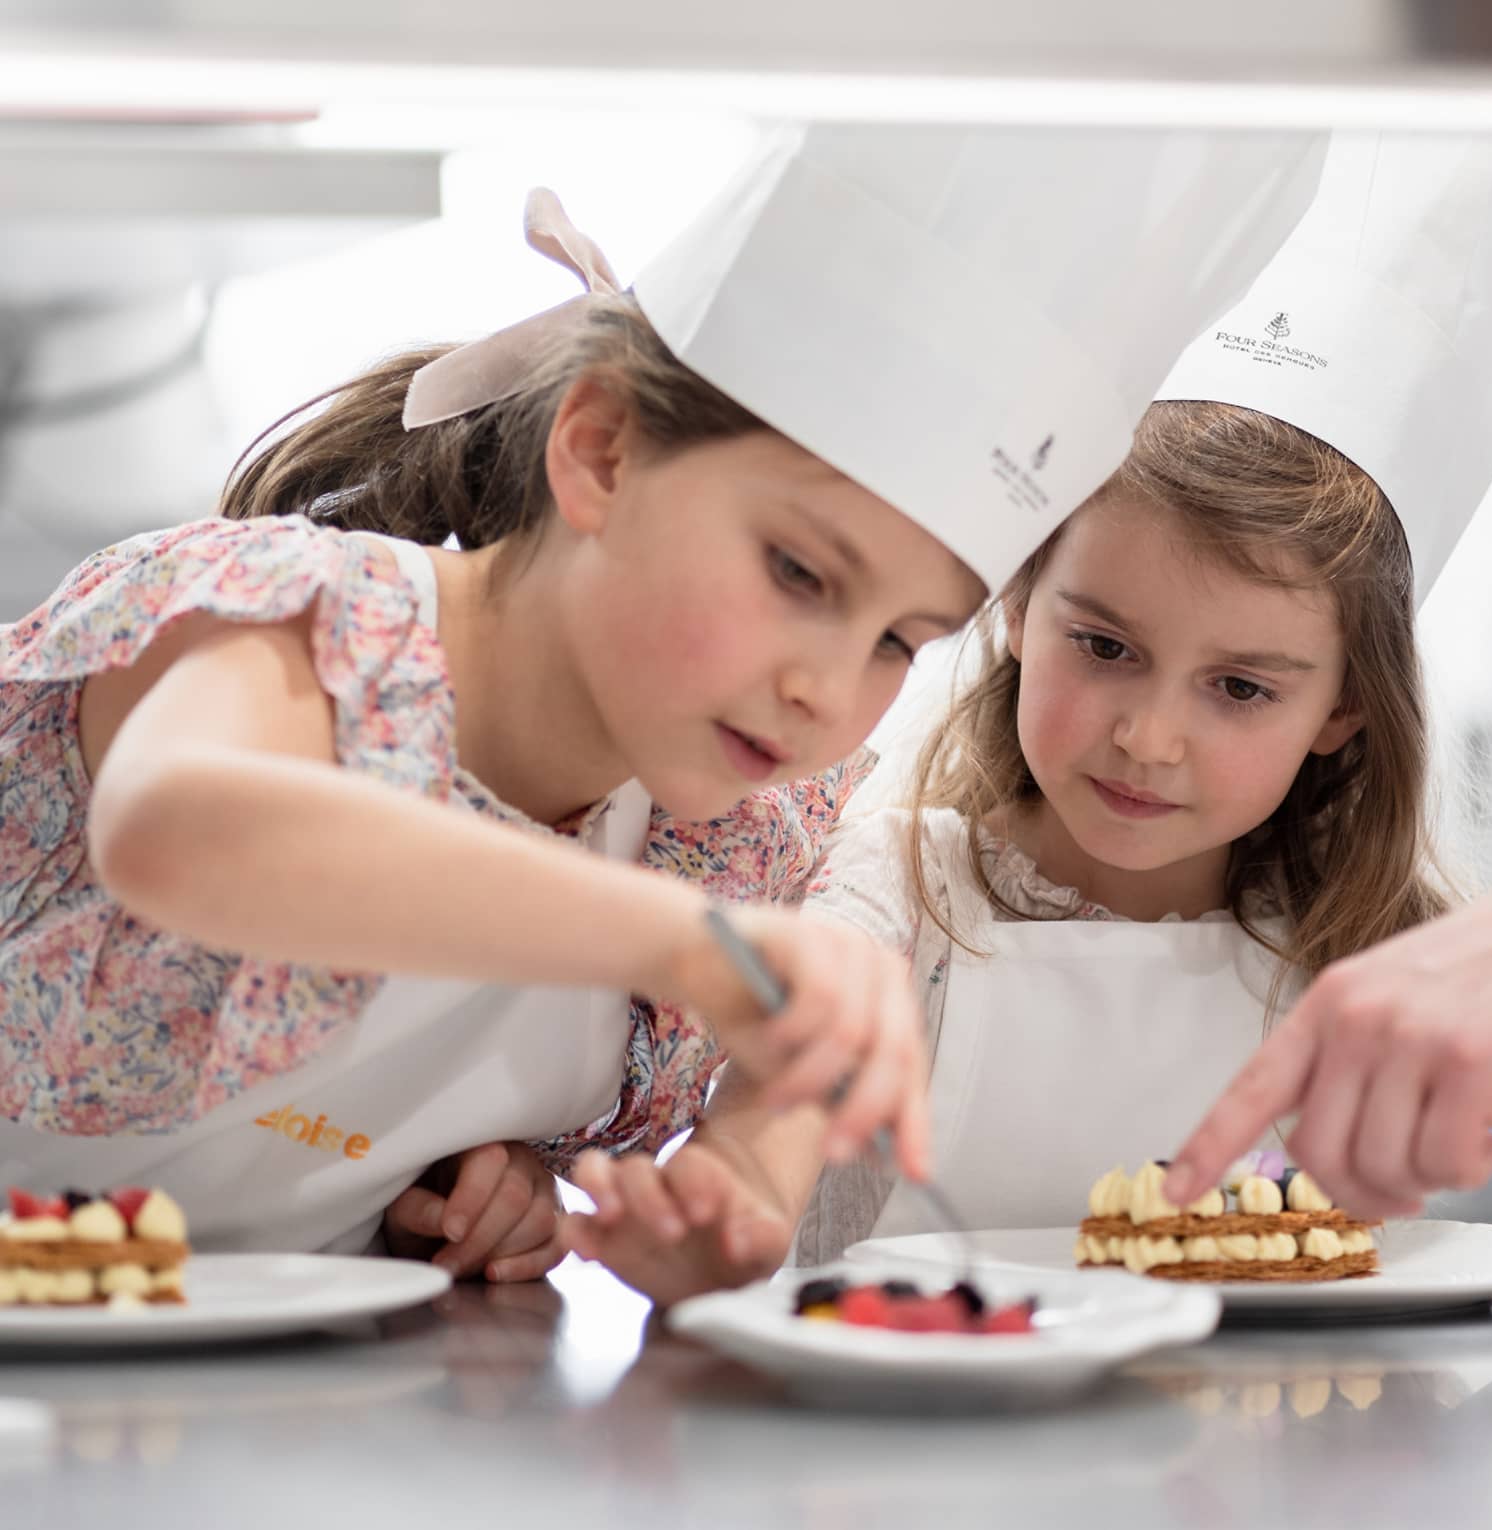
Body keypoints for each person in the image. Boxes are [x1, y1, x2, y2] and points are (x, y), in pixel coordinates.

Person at [0, 124, 1319, 1273]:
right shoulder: (302, 616)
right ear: (601, 449)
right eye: (798, 571)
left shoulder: (720, 835)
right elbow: (184, 832)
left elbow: (320, 1119)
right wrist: (680, 942)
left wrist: (479, 1179)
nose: (822, 687)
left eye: (897, 641)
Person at [563, 131, 1492, 1301]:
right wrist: (735, 1204)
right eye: (1106, 647)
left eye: (1241, 688)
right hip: (910, 1453)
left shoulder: (1378, 953)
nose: (1148, 737)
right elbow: (784, 1110)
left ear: (1346, 712)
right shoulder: (901, 886)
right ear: (1016, 603)